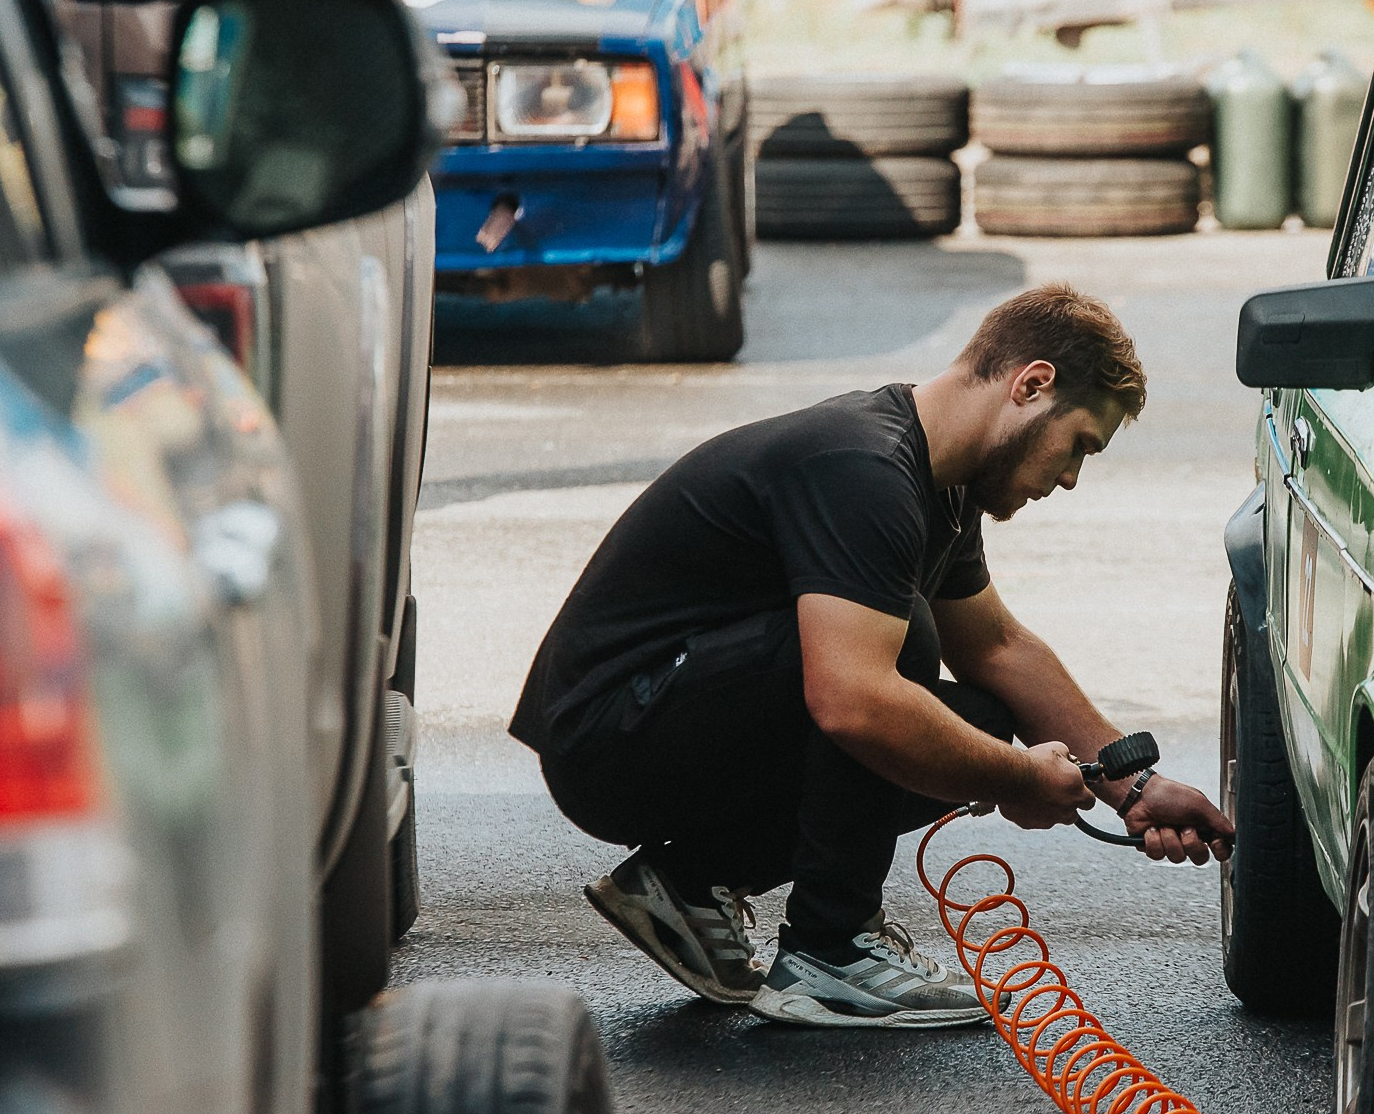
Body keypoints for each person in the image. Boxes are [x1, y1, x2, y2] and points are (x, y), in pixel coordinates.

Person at [511, 285, 1237, 1029]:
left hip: (670, 718)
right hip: (606, 735)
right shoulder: (865, 467)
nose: (1072, 478)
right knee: (898, 649)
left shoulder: (940, 489)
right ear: (1032, 385)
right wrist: (1016, 774)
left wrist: (1129, 783)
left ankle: (689, 883)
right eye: (1081, 443)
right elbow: (851, 702)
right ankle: (831, 948)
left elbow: (997, 647)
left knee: (980, 715)